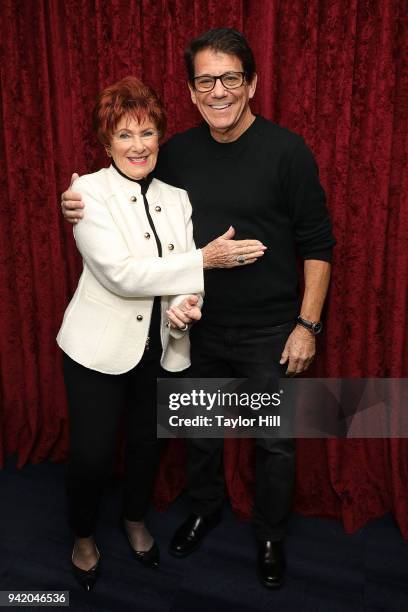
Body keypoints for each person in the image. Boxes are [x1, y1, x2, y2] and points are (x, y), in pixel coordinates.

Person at [61, 29, 335, 589]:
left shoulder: (289, 151)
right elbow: (147, 228)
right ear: (190, 92)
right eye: (206, 80)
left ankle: (269, 536)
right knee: (201, 434)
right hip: (194, 331)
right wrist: (77, 200)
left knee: (274, 441)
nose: (218, 90)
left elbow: (318, 243)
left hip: (268, 330)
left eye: (230, 77)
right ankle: (205, 508)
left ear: (251, 83)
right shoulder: (175, 154)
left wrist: (306, 325)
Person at [57, 74, 266, 591]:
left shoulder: (177, 197)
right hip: (97, 348)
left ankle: (133, 520)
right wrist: (205, 261)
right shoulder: (87, 193)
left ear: (159, 137)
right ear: (106, 143)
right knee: (92, 454)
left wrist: (184, 306)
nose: (138, 145)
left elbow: (177, 271)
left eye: (147, 133)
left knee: (148, 444)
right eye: (124, 135)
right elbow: (121, 274)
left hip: (161, 347)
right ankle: (83, 537)